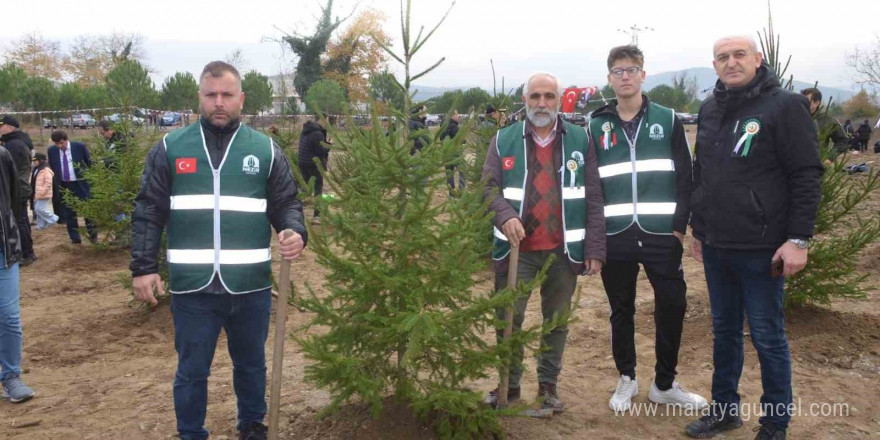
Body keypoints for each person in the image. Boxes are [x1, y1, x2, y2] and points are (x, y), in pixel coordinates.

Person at [130, 61, 306, 440]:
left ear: (241, 99)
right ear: (200, 98)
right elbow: (148, 210)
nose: (219, 103)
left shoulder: (265, 150)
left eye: (227, 95)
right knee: (192, 370)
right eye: (211, 95)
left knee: (251, 365)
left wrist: (294, 229)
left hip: (251, 286)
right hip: (193, 288)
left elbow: (287, 202)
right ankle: (191, 433)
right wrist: (143, 267)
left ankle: (252, 428)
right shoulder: (170, 148)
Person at [685, 36, 823, 440]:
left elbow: (806, 174)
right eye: (723, 57)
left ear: (757, 59)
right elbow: (702, 174)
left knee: (767, 336)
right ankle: (724, 411)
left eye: (739, 54)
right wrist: (699, 228)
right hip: (717, 247)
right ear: (714, 66)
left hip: (764, 248)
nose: (731, 62)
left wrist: (799, 239)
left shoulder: (785, 106)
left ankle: (775, 423)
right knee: (724, 332)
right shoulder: (709, 109)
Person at [587, 45, 706, 413]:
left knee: (672, 304)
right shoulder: (596, 125)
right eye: (618, 70)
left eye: (632, 69)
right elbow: (591, 186)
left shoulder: (668, 119)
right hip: (616, 234)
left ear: (643, 74)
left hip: (660, 235)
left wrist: (679, 227)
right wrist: (596, 237)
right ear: (610, 78)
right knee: (620, 310)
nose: (625, 76)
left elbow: (686, 176)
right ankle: (627, 377)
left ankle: (665, 384)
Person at [482, 72, 606, 414]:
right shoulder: (503, 139)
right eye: (535, 96)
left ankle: (548, 386)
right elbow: (487, 188)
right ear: (525, 100)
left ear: (559, 100)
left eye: (549, 96)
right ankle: (509, 384)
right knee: (508, 319)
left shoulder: (580, 140)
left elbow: (593, 196)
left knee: (556, 322)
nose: (541, 103)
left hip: (562, 253)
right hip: (516, 251)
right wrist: (504, 214)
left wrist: (595, 248)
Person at [0, 142, 35, 403]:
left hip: (2, 249)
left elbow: (13, 200)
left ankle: (11, 375)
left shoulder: (2, 156)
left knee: (9, 316)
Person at [47, 130, 97, 244]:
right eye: (57, 144)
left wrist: (89, 179)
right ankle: (75, 238)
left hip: (80, 184)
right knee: (69, 212)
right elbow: (53, 167)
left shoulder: (79, 147)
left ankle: (93, 236)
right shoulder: (52, 151)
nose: (60, 146)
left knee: (88, 210)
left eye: (61, 143)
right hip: (64, 185)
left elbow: (89, 163)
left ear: (66, 139)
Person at [0, 116, 36, 265]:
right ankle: (29, 253)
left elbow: (8, 172)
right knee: (23, 221)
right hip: (22, 187)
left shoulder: (13, 145)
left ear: (10, 128)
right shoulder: (21, 141)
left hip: (17, 189)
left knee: (17, 221)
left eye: (2, 126)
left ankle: (24, 255)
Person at [297, 117, 330, 224]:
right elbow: (320, 150)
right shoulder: (317, 133)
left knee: (305, 188)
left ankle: (294, 212)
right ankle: (317, 216)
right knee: (317, 189)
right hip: (314, 164)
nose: (327, 123)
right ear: (322, 119)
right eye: (327, 120)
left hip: (303, 162)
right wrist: (329, 145)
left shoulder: (306, 130)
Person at [800, 88, 849, 156]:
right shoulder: (794, 116)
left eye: (806, 100)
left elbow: (843, 140)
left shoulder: (827, 119)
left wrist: (830, 157)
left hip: (816, 162)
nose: (802, 102)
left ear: (816, 103)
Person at [440, 110, 465, 196]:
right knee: (463, 170)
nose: (458, 116)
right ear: (452, 115)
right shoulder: (454, 126)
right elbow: (458, 140)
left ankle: (451, 194)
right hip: (455, 154)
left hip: (445, 153)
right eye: (457, 114)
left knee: (449, 173)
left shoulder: (442, 126)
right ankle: (461, 192)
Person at [30, 153, 58, 230]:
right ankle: (41, 225)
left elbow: (48, 183)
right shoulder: (36, 169)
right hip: (37, 193)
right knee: (37, 209)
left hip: (43, 194)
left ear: (41, 160)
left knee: (39, 209)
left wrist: (42, 192)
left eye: (35, 160)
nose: (34, 162)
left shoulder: (46, 170)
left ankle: (53, 219)